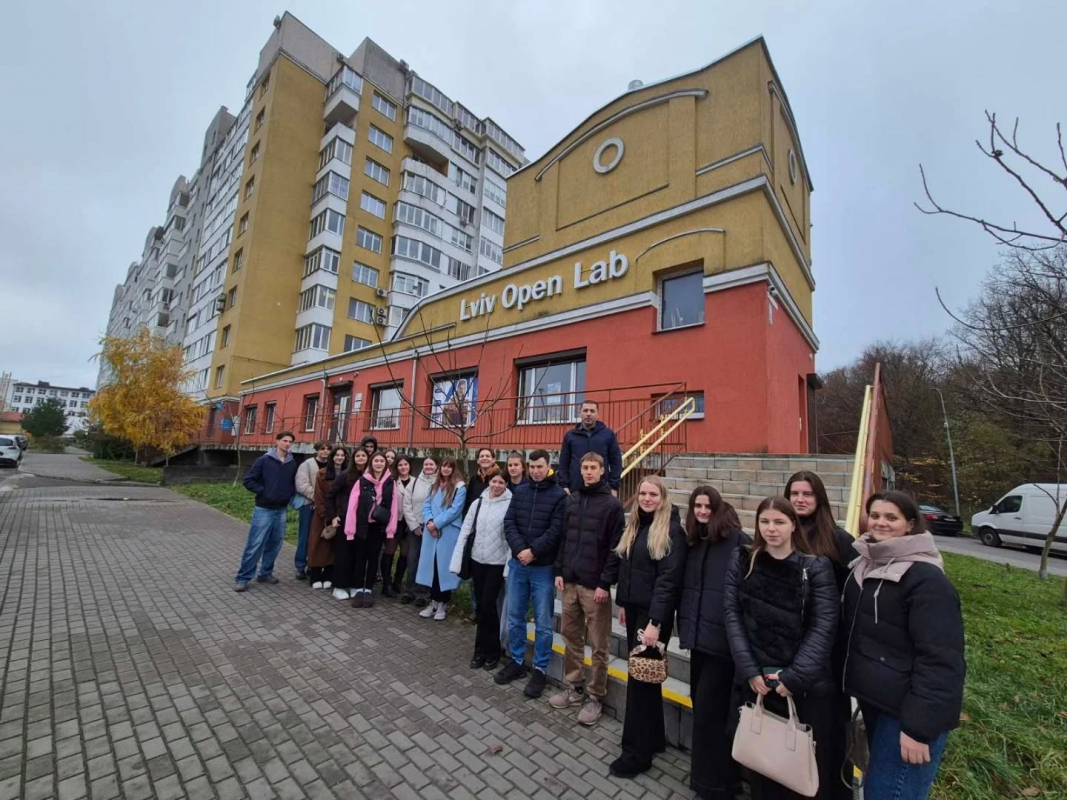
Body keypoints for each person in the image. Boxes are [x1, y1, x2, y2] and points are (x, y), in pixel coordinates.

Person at [843, 492, 965, 800]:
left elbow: (941, 658)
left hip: (908, 714)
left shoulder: (925, 579)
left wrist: (918, 729)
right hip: (878, 702)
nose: (880, 522)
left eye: (891, 517)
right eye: (875, 515)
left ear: (910, 525)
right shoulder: (865, 565)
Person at [723, 496, 838, 799]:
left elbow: (824, 625)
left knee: (800, 767)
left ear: (792, 526)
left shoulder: (814, 567)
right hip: (757, 679)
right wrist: (748, 669)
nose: (771, 529)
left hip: (800, 685)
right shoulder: (743, 559)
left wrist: (795, 676)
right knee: (763, 766)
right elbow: (732, 614)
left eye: (779, 522)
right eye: (765, 522)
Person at [785, 470, 860, 798]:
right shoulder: (782, 532)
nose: (800, 499)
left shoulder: (839, 540)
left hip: (828, 651)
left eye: (807, 494)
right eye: (794, 494)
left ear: (819, 499)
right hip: (788, 643)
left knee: (826, 731)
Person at [608, 476, 687, 778]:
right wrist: (625, 606)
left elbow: (668, 582)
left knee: (640, 682)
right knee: (647, 678)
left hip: (654, 618)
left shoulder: (671, 530)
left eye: (653, 493)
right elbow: (630, 570)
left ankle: (636, 754)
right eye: (642, 492)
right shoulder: (636, 524)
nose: (646, 498)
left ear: (664, 497)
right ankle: (653, 738)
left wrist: (654, 623)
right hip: (636, 610)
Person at [676, 486, 748, 798]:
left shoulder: (737, 541)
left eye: (707, 506)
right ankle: (707, 777)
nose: (702, 511)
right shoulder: (696, 539)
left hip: (722, 644)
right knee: (701, 706)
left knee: (711, 712)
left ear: (717, 507)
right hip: (698, 640)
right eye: (697, 506)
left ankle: (716, 784)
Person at [549, 452, 624, 727]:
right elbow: (563, 539)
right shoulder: (572, 501)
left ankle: (595, 696)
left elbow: (616, 548)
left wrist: (606, 583)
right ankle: (574, 687)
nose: (589, 472)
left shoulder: (612, 506)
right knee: (571, 638)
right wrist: (559, 570)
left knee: (599, 645)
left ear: (603, 471)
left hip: (596, 588)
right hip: (569, 581)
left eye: (594, 467)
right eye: (585, 467)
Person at [496, 449, 567, 699]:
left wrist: (533, 552)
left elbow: (556, 531)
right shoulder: (521, 491)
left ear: (548, 466)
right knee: (515, 616)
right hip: (518, 565)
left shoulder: (559, 496)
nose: (536, 471)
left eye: (540, 466)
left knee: (543, 623)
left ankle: (539, 669)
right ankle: (516, 661)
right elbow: (509, 523)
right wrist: (520, 551)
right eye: (533, 467)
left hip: (542, 569)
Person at [450, 467, 512, 669]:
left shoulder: (511, 505)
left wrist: (507, 569)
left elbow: (511, 539)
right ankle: (479, 651)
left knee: (488, 606)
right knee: (480, 609)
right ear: (488, 483)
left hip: (497, 563)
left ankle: (492, 651)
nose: (496, 486)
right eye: (493, 482)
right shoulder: (478, 503)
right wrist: (457, 560)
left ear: (506, 485)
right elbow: (466, 532)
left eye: (501, 483)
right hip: (477, 560)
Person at [234, 432, 298, 592]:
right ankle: (243, 577)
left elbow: (292, 482)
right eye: (284, 441)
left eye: (290, 441)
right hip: (264, 509)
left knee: (276, 543)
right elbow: (249, 480)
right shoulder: (264, 460)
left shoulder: (291, 462)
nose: (287, 444)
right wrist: (264, 492)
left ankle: (265, 573)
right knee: (256, 543)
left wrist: (289, 493)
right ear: (277, 441)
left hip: (281, 509)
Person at [343, 451, 398, 607]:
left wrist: (390, 530)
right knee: (360, 558)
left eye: (382, 461)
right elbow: (352, 507)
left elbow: (393, 508)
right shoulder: (362, 481)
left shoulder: (390, 482)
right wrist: (350, 530)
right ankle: (359, 589)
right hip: (362, 525)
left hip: (378, 527)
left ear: (385, 464)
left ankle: (368, 589)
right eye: (376, 461)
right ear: (371, 463)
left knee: (373, 558)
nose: (379, 463)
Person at [416, 458, 467, 621]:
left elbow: (455, 510)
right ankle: (433, 601)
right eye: (444, 466)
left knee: (443, 569)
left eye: (449, 467)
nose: (446, 469)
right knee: (432, 566)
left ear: (454, 469)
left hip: (448, 531)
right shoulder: (434, 485)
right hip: (432, 532)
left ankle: (443, 603)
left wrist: (436, 524)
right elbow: (426, 505)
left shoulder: (460, 487)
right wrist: (430, 522)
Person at [326, 447, 369, 600]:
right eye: (358, 455)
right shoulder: (345, 475)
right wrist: (332, 516)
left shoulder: (369, 476)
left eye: (364, 455)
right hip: (345, 519)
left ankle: (354, 585)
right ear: (353, 458)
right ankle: (339, 585)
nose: (361, 458)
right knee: (344, 554)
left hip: (363, 522)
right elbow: (330, 495)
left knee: (359, 555)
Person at [557, 401, 623, 496]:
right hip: (575, 489)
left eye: (592, 411)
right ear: (581, 413)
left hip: (602, 490)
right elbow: (563, 463)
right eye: (585, 410)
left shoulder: (608, 435)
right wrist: (564, 486)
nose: (588, 414)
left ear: (597, 415)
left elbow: (616, 461)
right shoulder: (570, 436)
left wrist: (613, 486)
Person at [308, 445, 347, 589]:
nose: (339, 458)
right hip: (323, 515)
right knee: (319, 544)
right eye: (337, 455)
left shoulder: (348, 473)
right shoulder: (322, 473)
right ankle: (315, 575)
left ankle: (329, 574)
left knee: (334, 546)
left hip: (340, 515)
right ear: (332, 457)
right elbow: (318, 496)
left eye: (342, 455)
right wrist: (326, 514)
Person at [400, 456, 437, 607]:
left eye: (431, 464)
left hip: (432, 528)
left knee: (427, 561)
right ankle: (410, 590)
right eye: (425, 464)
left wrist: (434, 525)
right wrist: (413, 525)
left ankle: (423, 593)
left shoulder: (440, 482)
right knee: (412, 559)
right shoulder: (414, 482)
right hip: (415, 527)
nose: (428, 466)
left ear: (436, 466)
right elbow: (406, 504)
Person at [293, 441, 331, 580]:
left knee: (319, 537)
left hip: (325, 507)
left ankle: (313, 564)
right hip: (309, 505)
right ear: (317, 450)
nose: (325, 451)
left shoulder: (331, 465)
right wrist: (317, 498)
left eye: (328, 449)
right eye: (322, 449)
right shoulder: (307, 465)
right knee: (305, 535)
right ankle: (300, 566)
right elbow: (302, 485)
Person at [381, 454, 414, 597]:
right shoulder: (391, 481)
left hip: (409, 522)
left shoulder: (416, 481)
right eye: (400, 465)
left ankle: (398, 581)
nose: (403, 467)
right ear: (396, 466)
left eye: (405, 464)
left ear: (410, 466)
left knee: (405, 553)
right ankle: (386, 584)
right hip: (394, 521)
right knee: (389, 551)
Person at [464, 447, 498, 514]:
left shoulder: (499, 478)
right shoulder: (474, 479)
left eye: (487, 456)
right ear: (478, 460)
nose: (484, 458)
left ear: (493, 460)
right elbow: (468, 502)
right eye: (481, 456)